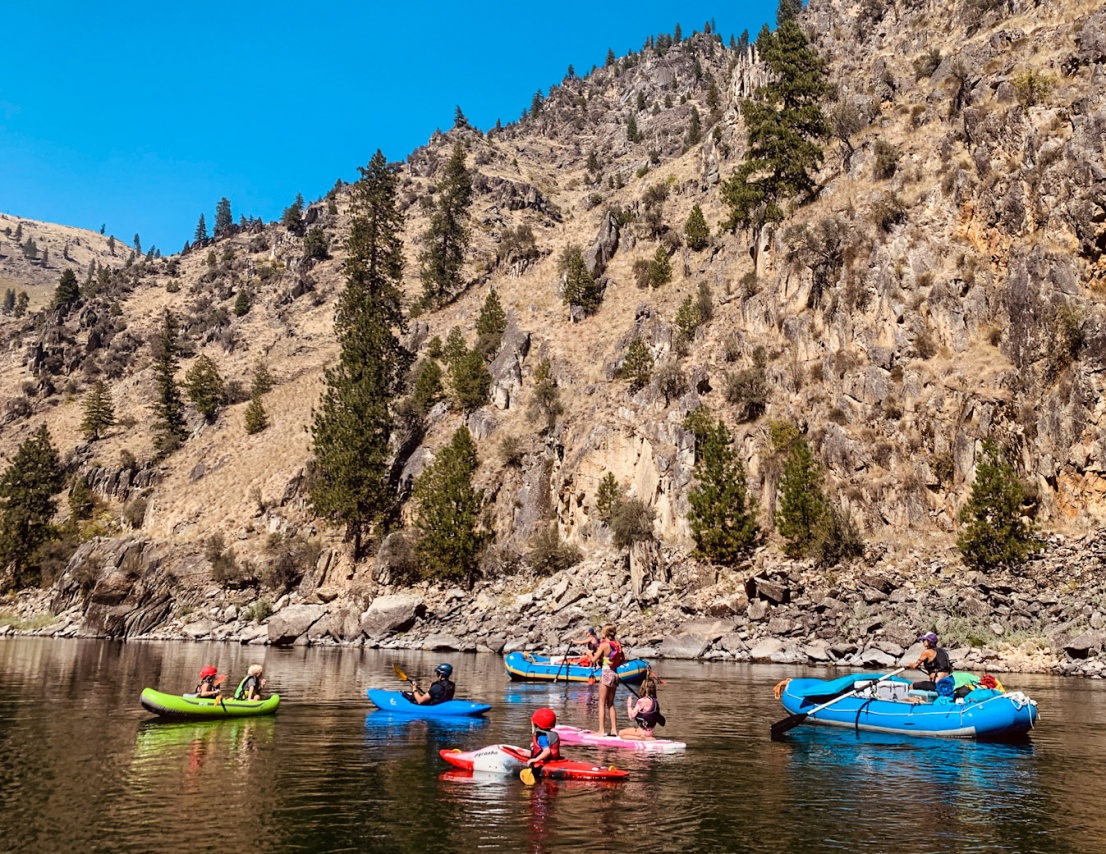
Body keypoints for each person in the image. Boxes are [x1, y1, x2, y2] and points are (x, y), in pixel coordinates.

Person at [589, 624, 624, 736]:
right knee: (611, 703)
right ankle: (614, 730)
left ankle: (601, 730)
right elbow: (623, 660)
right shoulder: (617, 644)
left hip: (606, 673)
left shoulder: (604, 645)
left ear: (605, 633)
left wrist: (589, 654)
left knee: (601, 703)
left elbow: (594, 659)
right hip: (614, 674)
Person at [618, 676, 664, 741]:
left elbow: (631, 716)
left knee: (621, 734)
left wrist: (629, 704)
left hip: (642, 731)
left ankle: (643, 738)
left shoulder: (641, 701)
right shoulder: (655, 701)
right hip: (651, 732)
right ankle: (646, 737)